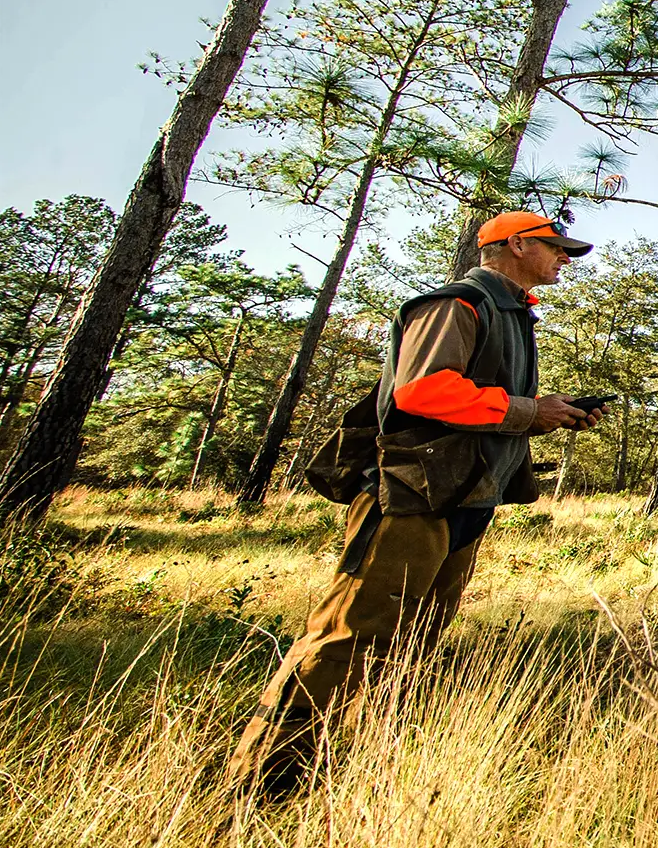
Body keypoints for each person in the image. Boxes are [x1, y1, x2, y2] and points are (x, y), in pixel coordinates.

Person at [229, 211, 602, 798]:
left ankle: (350, 765)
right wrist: (529, 411)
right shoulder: (456, 305)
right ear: (517, 244)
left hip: (460, 502)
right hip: (412, 501)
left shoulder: (513, 316)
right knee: (350, 636)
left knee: (415, 642)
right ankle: (263, 780)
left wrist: (549, 411)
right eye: (558, 247)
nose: (567, 258)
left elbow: (478, 407)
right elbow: (423, 390)